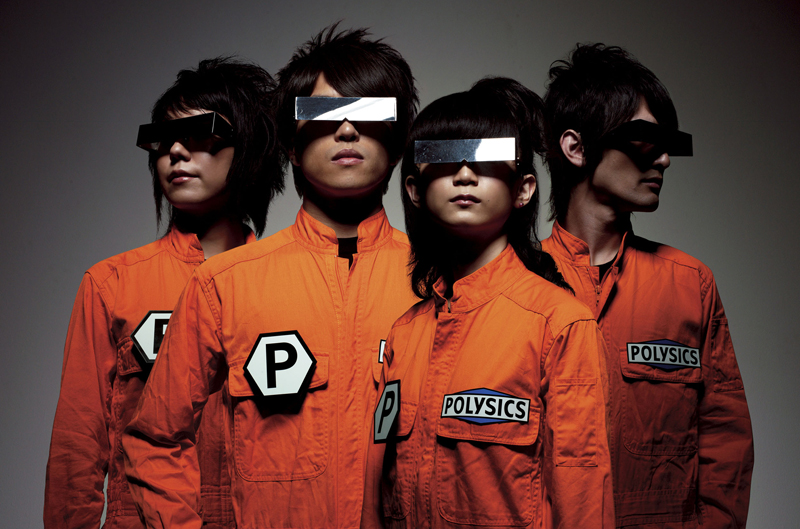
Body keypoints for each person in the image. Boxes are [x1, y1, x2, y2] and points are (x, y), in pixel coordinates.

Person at [122, 25, 419, 528]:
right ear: (290, 146)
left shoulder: (441, 282)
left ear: (396, 143)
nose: (347, 130)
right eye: (323, 115)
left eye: (368, 114)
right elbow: (154, 438)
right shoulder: (225, 283)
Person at [362, 77, 614, 529]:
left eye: (485, 156)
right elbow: (378, 494)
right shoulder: (404, 334)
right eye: (442, 157)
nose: (464, 173)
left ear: (524, 190)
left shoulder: (560, 325)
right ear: (416, 191)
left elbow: (583, 497)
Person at [44, 57, 283, 529]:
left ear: (250, 148)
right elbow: (78, 446)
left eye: (199, 133)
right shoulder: (113, 284)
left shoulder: (288, 284)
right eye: (161, 140)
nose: (174, 151)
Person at [541, 44, 754, 528]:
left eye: (669, 144)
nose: (664, 160)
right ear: (575, 148)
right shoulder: (516, 282)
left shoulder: (690, 284)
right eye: (644, 140)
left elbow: (724, 439)